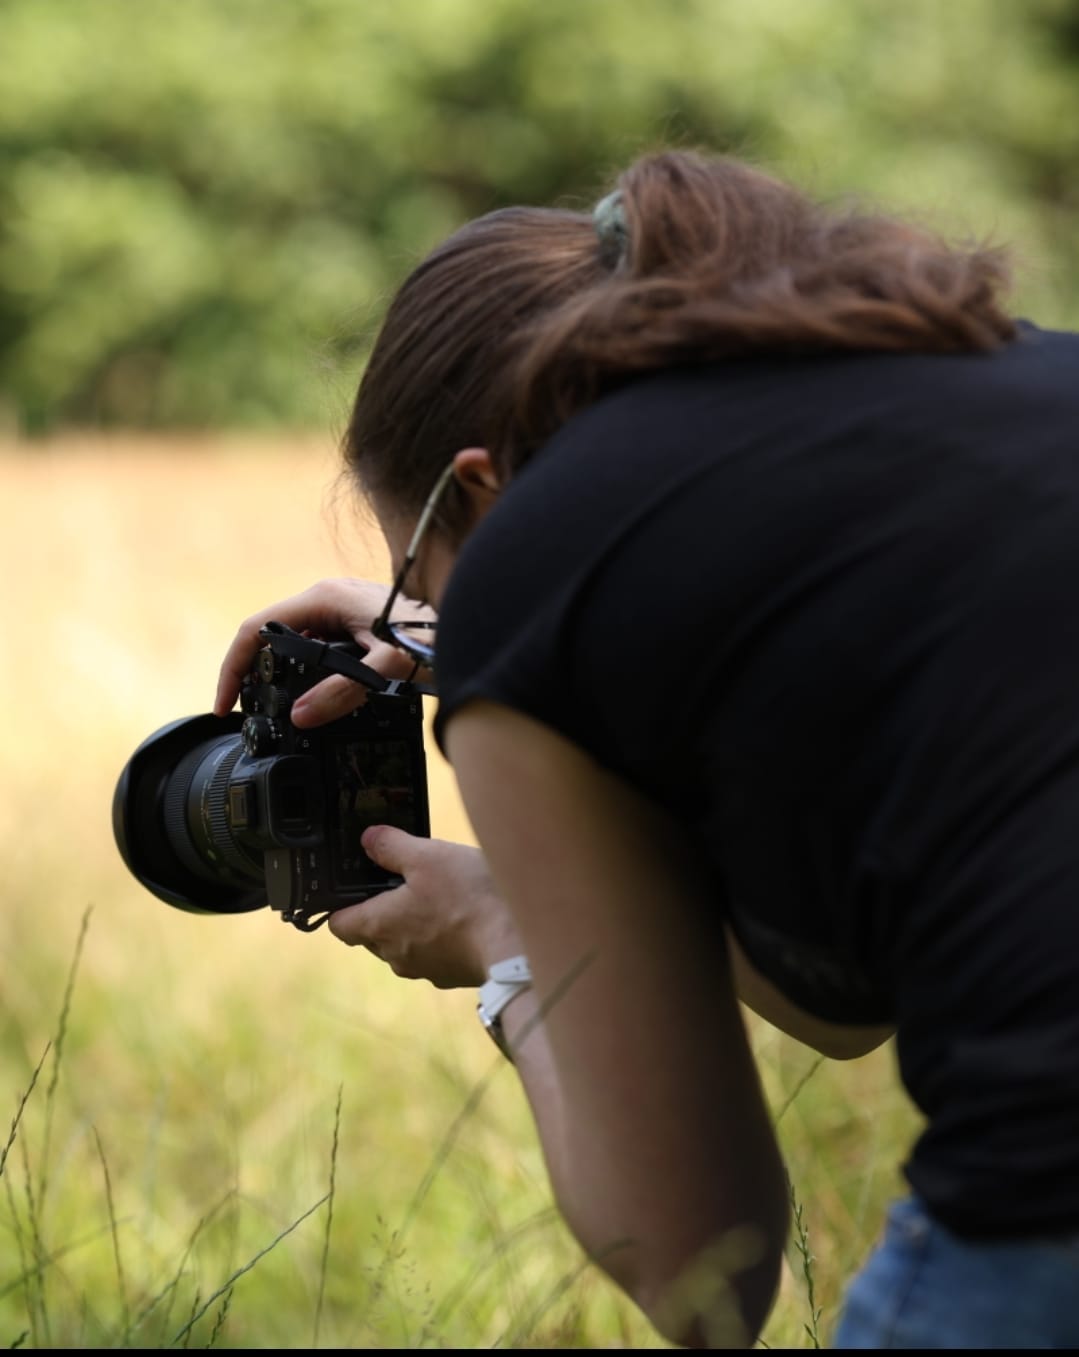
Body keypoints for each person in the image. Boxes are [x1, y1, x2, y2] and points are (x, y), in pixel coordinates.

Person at [214, 149, 1079, 1348]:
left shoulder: (536, 567)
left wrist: (502, 937)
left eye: (424, 573)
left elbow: (703, 1272)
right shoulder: (1003, 377)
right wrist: (479, 648)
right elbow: (846, 1000)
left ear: (477, 486)